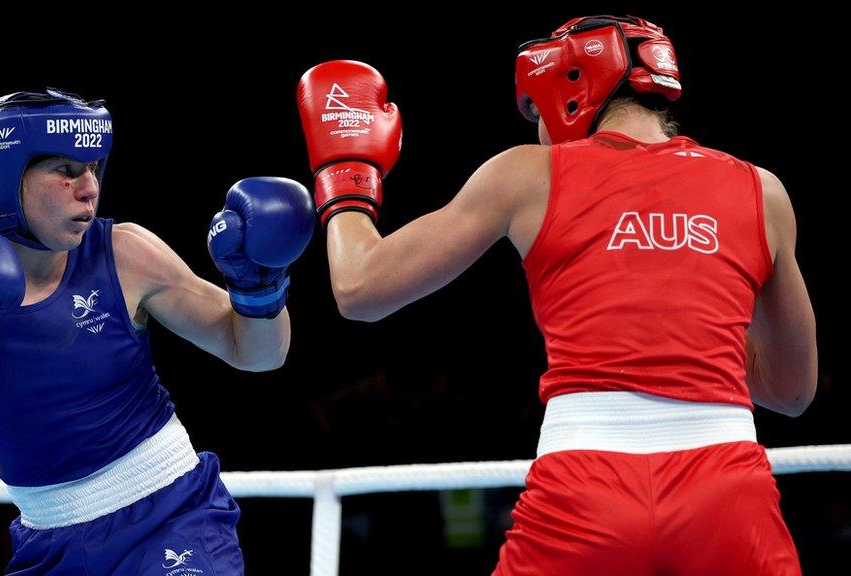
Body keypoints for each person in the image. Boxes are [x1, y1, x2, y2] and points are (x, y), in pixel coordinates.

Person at [297, 15, 816, 576]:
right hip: (727, 495)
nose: (538, 130)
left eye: (534, 110)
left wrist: (346, 173)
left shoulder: (528, 175)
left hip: (585, 491)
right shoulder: (761, 191)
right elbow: (792, 392)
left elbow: (359, 287)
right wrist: (687, 321)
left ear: (567, 86)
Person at [0, 88, 314, 575]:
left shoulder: (125, 253)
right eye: (66, 170)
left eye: (93, 167)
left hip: (172, 515)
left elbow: (258, 354)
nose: (89, 188)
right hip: (48, 542)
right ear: (5, 177)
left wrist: (259, 285)